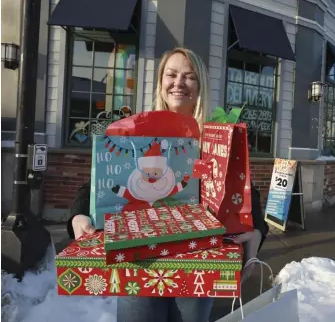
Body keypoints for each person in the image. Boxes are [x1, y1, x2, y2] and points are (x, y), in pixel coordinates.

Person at [67, 47, 269, 322]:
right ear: (161, 82)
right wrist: (78, 214)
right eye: (171, 75)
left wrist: (257, 228)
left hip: (198, 261)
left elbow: (241, 186)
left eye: (189, 77)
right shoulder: (138, 130)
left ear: (200, 86)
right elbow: (100, 180)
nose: (179, 83)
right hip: (138, 261)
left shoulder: (214, 136)